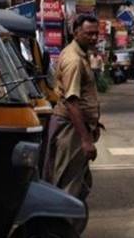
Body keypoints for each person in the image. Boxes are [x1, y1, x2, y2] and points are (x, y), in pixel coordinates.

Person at [43, 14, 102, 202]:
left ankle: (66, 228)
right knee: (68, 186)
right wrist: (85, 139)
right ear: (76, 33)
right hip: (70, 129)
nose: (93, 38)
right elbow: (71, 101)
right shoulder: (74, 60)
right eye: (88, 34)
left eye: (96, 33)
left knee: (80, 183)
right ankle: (60, 229)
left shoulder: (79, 54)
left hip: (75, 127)